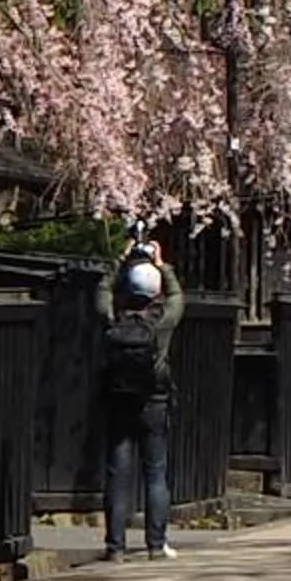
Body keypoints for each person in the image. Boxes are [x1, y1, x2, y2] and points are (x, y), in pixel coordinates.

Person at [99, 240, 185, 562]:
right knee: (156, 472)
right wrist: (162, 264)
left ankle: (115, 547)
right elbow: (177, 297)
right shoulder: (161, 322)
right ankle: (155, 543)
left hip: (119, 398)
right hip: (154, 400)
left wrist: (119, 259)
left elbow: (103, 290)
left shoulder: (112, 318)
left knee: (118, 472)